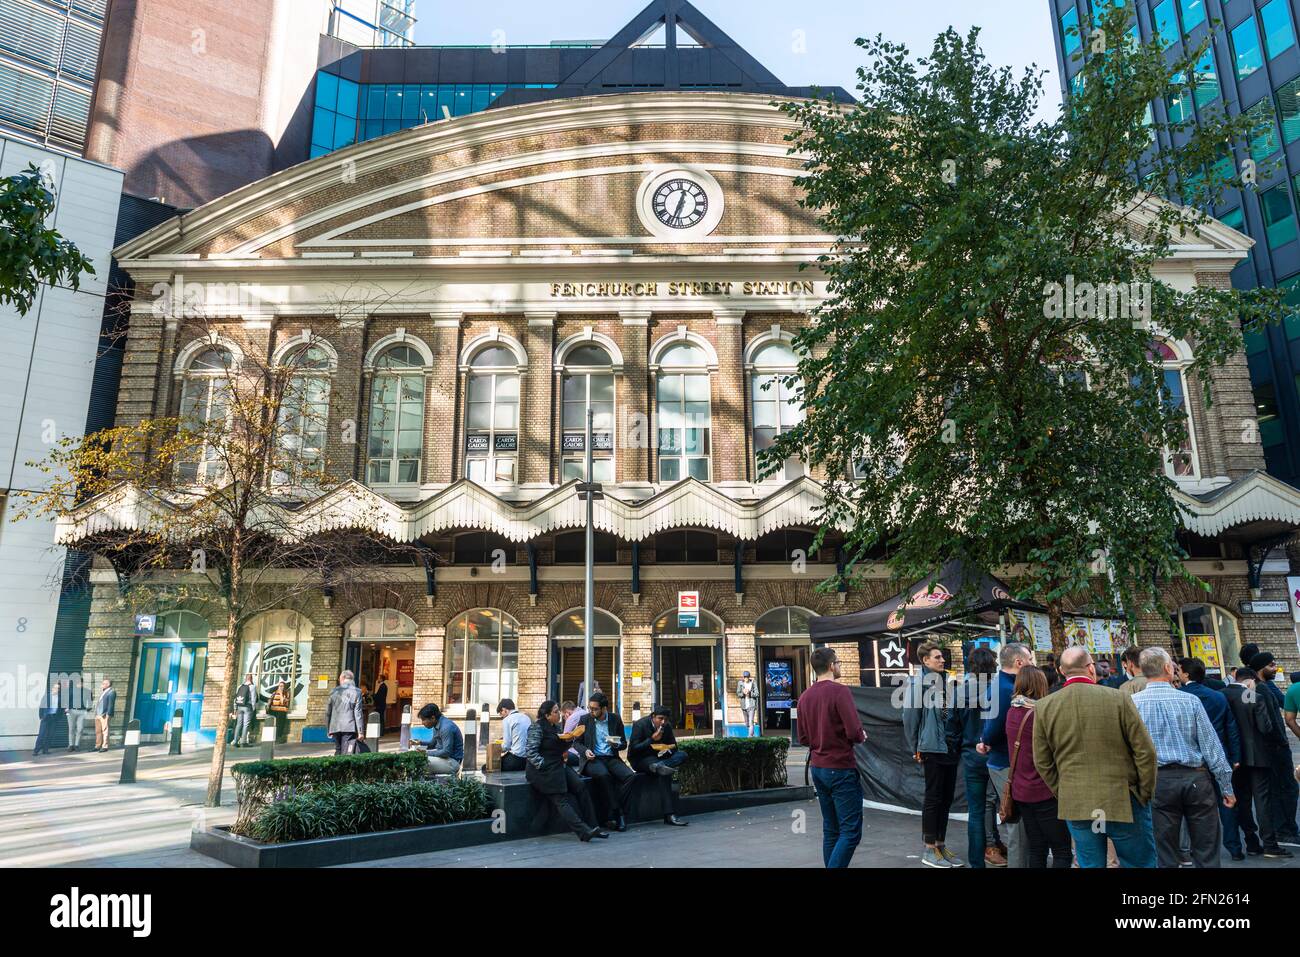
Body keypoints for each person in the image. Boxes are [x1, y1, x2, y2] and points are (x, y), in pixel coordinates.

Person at [1033, 646, 1158, 868]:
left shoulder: (1044, 707)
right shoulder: (1119, 698)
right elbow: (1144, 751)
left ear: (1062, 671)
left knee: (1090, 864)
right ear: (1091, 668)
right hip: (1123, 797)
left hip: (1077, 800)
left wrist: (1062, 790)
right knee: (1139, 863)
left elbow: (1042, 761)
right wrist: (1144, 792)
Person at [1132, 648, 1236, 868]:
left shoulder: (1132, 703)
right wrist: (1226, 786)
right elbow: (1212, 747)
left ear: (1141, 671)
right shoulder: (1190, 701)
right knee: (1206, 845)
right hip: (1195, 779)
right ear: (1168, 668)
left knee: (1164, 849)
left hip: (1157, 781)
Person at [798, 646, 867, 868]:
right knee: (850, 832)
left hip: (818, 767)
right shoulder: (840, 692)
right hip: (841, 767)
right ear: (831, 666)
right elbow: (854, 732)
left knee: (831, 830)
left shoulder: (805, 697)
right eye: (838, 662)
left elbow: (802, 737)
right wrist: (861, 735)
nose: (839, 666)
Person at [903, 639, 964, 868]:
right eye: (937, 657)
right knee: (933, 797)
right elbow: (910, 719)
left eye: (942, 657)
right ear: (925, 660)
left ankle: (940, 844)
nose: (942, 660)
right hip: (930, 747)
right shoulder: (918, 685)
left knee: (946, 798)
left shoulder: (945, 682)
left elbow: (949, 714)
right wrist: (915, 747)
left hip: (948, 747)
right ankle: (929, 848)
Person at [1005, 665, 1072, 868]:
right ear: (1040, 685)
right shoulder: (1039, 714)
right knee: (1061, 851)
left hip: (1021, 790)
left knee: (1037, 847)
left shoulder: (1012, 711)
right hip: (1044, 790)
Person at [1179, 656, 1244, 860]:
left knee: (1194, 808)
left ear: (1187, 674)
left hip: (1192, 760)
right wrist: (1235, 757)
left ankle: (1196, 850)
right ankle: (1235, 848)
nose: (1177, 674)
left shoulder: (1180, 696)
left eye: (1179, 670)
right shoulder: (1218, 696)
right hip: (1220, 755)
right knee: (1226, 801)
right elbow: (1231, 728)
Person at [978, 641, 1034, 867]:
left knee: (1019, 823)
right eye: (1030, 660)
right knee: (1017, 825)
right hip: (1005, 762)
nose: (1032, 664)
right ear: (1019, 662)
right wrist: (986, 741)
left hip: (1005, 760)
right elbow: (995, 724)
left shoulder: (1003, 684)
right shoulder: (1004, 688)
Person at [525, 700, 607, 842]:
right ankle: (584, 832)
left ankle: (594, 825)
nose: (560, 715)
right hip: (542, 771)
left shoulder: (556, 727)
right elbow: (531, 752)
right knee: (560, 799)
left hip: (557, 765)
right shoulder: (536, 728)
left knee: (580, 786)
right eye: (556, 712)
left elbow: (560, 747)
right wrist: (544, 765)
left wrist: (571, 737)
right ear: (547, 715)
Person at [957, 646, 1006, 868]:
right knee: (1008, 806)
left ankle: (978, 861)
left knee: (976, 811)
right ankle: (1006, 850)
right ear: (993, 665)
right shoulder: (1000, 690)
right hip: (997, 756)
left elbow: (952, 727)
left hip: (971, 756)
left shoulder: (960, 691)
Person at [1249, 652, 1300, 846]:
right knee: (1285, 788)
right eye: (1271, 665)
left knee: (1280, 789)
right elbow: (1264, 721)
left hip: (1272, 747)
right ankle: (1285, 830)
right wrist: (1279, 741)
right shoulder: (1258, 689)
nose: (1275, 668)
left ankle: (1284, 829)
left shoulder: (1257, 688)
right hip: (1275, 748)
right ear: (1261, 668)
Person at [577, 692, 635, 831]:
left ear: (604, 709)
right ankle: (618, 814)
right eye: (590, 708)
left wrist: (617, 745)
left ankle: (616, 809)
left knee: (630, 776)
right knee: (604, 775)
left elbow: (623, 744)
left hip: (611, 758)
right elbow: (576, 743)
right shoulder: (585, 719)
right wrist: (585, 751)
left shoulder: (615, 719)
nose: (591, 711)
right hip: (592, 759)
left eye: (595, 709)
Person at [627, 706, 690, 826]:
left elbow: (674, 746)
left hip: (660, 758)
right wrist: (651, 739)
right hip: (641, 759)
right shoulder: (640, 725)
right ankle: (669, 815)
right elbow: (634, 749)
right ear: (653, 717)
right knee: (663, 773)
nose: (663, 722)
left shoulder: (666, 727)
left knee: (682, 755)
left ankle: (660, 766)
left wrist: (667, 749)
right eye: (660, 719)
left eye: (665, 719)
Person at [416, 703, 464, 775]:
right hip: (445, 759)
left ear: (433, 718)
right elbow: (432, 744)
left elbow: (446, 752)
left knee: (420, 761)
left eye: (423, 720)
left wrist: (425, 753)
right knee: (417, 758)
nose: (422, 723)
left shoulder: (446, 728)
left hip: (453, 762)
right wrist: (419, 743)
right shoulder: (436, 725)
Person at [325, 671, 365, 754]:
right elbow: (358, 713)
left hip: (335, 726)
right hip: (349, 727)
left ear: (342, 679)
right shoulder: (357, 692)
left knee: (338, 749)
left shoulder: (333, 692)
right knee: (347, 751)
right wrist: (360, 732)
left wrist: (328, 729)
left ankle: (336, 766)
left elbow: (328, 712)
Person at [498, 698, 531, 772]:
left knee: (487, 767)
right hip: (527, 760)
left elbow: (506, 746)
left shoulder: (507, 720)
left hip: (515, 759)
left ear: (504, 710)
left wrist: (496, 749)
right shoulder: (526, 718)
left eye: (501, 713)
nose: (502, 716)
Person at [33, 680, 64, 756]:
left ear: (59, 690)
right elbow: (41, 706)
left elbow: (61, 708)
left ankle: (45, 749)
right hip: (46, 717)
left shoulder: (60, 698)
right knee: (42, 734)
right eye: (55, 688)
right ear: (52, 688)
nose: (56, 689)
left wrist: (59, 717)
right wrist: (41, 716)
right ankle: (36, 750)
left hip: (54, 717)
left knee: (50, 734)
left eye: (58, 688)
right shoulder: (47, 696)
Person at [66, 676, 94, 752]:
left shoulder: (88, 691)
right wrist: (66, 709)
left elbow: (91, 701)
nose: (78, 684)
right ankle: (71, 745)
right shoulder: (70, 690)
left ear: (82, 683)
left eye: (80, 682)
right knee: (71, 729)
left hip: (82, 712)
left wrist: (88, 709)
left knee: (80, 729)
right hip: (72, 711)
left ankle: (77, 745)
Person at [232, 673, 258, 747]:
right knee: (246, 724)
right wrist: (253, 708)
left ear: (245, 678)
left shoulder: (239, 686)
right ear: (251, 679)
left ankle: (235, 741)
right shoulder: (252, 687)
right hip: (247, 707)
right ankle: (243, 742)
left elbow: (236, 698)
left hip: (239, 706)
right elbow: (253, 699)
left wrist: (235, 708)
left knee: (238, 724)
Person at [94, 678, 116, 752]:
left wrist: (108, 714)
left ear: (108, 684)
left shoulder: (111, 692)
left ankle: (105, 746)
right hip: (98, 714)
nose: (102, 685)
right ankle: (97, 746)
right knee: (98, 731)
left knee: (105, 730)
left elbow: (111, 704)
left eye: (103, 683)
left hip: (104, 714)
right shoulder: (103, 691)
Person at [561, 700, 584, 767]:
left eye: (563, 716)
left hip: (578, 754)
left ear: (567, 712)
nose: (564, 719)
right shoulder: (584, 712)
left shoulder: (571, 718)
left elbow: (565, 738)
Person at [268, 680, 291, 744]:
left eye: (282, 686)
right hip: (273, 710)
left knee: (280, 725)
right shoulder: (274, 692)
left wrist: (281, 694)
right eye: (280, 686)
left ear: (284, 687)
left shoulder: (286, 693)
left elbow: (283, 702)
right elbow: (270, 700)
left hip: (281, 711)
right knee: (273, 725)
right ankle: (271, 738)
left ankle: (278, 738)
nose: (281, 687)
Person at [737, 671, 759, 736]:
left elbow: (757, 694)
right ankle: (752, 732)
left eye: (747, 677)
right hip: (744, 705)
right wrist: (743, 693)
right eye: (744, 677)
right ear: (743, 677)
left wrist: (750, 693)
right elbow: (738, 693)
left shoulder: (753, 683)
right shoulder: (740, 683)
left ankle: (750, 736)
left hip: (751, 705)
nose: (745, 678)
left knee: (751, 722)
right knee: (747, 723)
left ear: (749, 677)